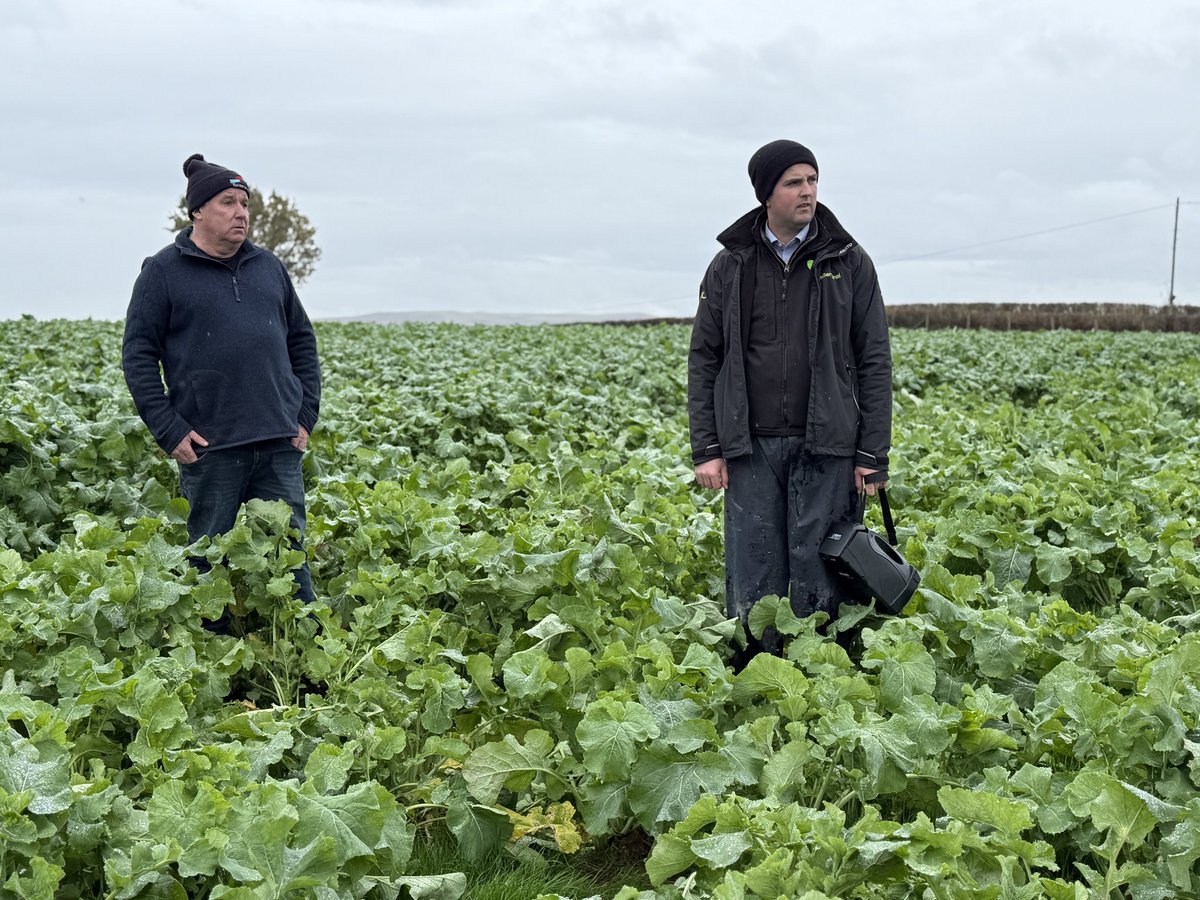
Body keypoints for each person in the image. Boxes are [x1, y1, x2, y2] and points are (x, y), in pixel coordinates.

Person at [688, 139, 892, 662]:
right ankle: (756, 673)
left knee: (821, 566)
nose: (808, 192)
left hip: (827, 444)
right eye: (794, 182)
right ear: (767, 194)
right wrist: (706, 446)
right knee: (754, 568)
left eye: (812, 179)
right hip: (749, 445)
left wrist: (873, 455)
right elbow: (705, 359)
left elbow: (874, 361)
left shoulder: (848, 261)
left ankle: (824, 668)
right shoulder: (730, 265)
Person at [123, 153, 321, 606]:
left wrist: (305, 414)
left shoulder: (269, 267)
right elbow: (138, 357)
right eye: (228, 202)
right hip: (211, 447)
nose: (241, 213)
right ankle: (211, 655)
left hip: (278, 441)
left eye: (245, 204)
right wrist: (169, 430)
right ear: (197, 211)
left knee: (289, 556)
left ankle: (305, 662)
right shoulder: (163, 272)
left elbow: (303, 344)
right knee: (207, 561)